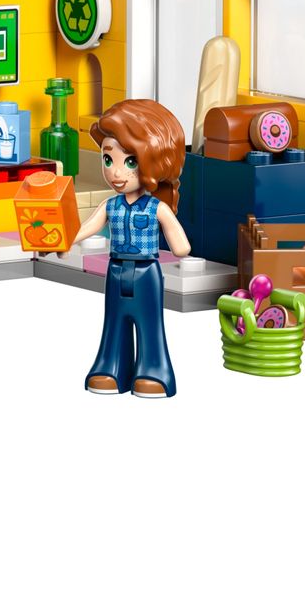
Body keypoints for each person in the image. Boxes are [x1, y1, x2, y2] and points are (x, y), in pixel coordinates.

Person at [71, 99, 190, 398]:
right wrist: (62, 241)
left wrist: (179, 245)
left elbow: (181, 246)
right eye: (108, 159)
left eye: (130, 162)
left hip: (146, 273)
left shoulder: (157, 208)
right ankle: (112, 366)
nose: (116, 172)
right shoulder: (110, 205)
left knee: (150, 324)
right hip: (115, 271)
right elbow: (87, 228)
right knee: (114, 322)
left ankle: (154, 370)